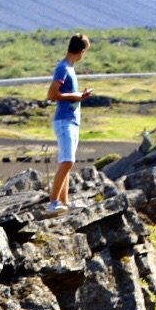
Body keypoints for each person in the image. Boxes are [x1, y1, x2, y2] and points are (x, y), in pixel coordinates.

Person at [47, 35, 93, 212]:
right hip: (64, 120)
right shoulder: (63, 68)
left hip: (72, 120)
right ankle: (53, 203)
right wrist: (74, 96)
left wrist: (79, 96)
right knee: (67, 161)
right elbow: (52, 94)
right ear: (81, 51)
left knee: (67, 162)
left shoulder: (69, 69)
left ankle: (64, 202)